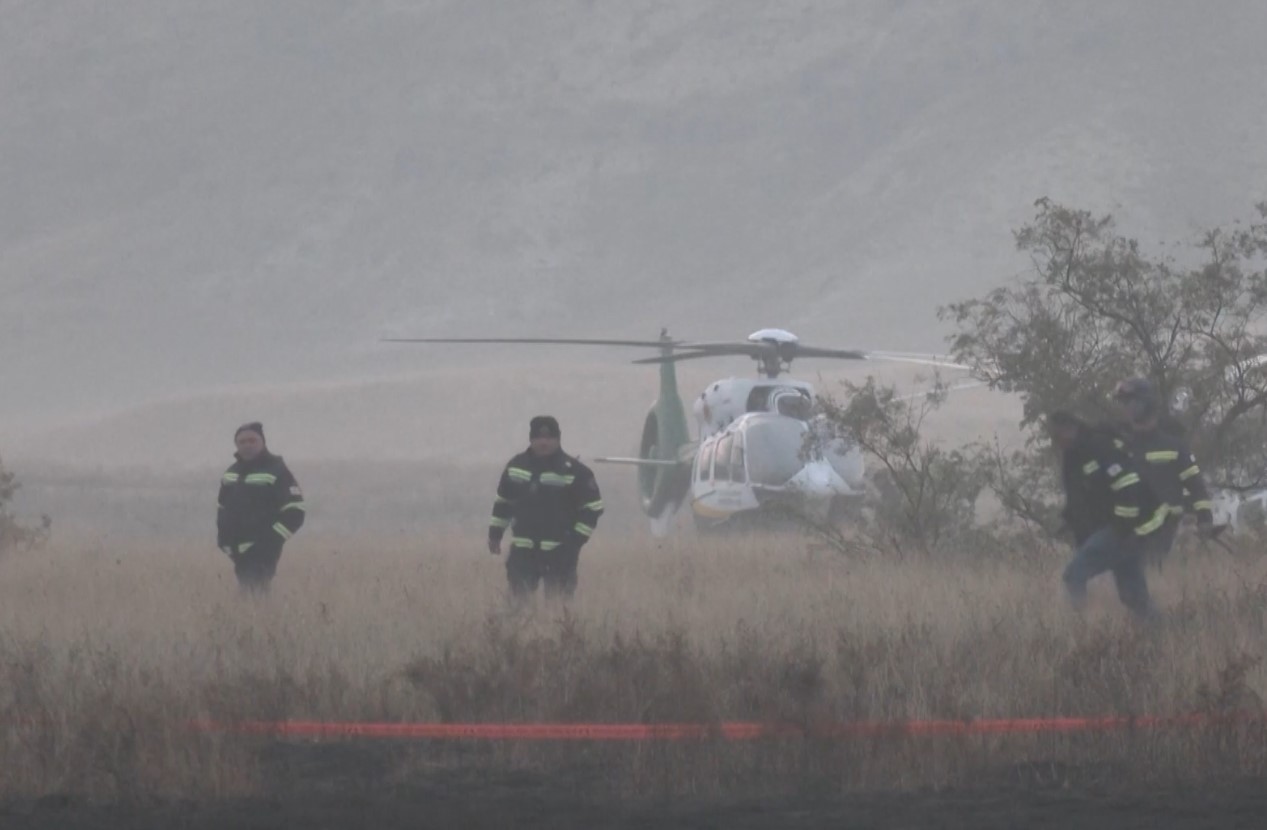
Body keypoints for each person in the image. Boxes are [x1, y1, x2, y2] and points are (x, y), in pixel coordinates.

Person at [1047, 410, 1167, 618]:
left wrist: (1123, 528)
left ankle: (1076, 627)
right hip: (1119, 532)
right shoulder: (1072, 457)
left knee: (1073, 576)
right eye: (1054, 437)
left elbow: (1128, 486)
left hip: (1120, 529)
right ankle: (1161, 630)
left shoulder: (1099, 446)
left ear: (1070, 429)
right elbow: (1079, 496)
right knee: (1133, 596)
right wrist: (1069, 520)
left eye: (1058, 435)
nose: (1057, 441)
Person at [487, 416, 603, 600]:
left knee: (558, 608)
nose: (544, 442)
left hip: (560, 553)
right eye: (539, 438)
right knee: (516, 606)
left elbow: (593, 509)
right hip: (523, 552)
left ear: (558, 439)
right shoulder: (515, 466)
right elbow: (503, 502)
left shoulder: (575, 471)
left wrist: (574, 542)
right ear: (531, 439)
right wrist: (495, 534)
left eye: (549, 438)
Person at [1111, 377, 1217, 565]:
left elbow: (1197, 487)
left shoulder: (1174, 446)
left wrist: (1205, 519)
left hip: (1168, 534)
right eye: (1123, 403)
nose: (1126, 408)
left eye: (1131, 402)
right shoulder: (1119, 447)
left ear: (1146, 404)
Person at [216, 422, 306, 592]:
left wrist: (270, 542)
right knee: (249, 596)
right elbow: (222, 508)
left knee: (253, 593)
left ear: (263, 442)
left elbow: (296, 512)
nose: (247, 445)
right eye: (242, 442)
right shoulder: (231, 473)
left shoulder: (277, 470)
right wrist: (223, 540)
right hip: (236, 549)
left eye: (252, 440)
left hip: (264, 551)